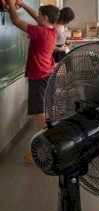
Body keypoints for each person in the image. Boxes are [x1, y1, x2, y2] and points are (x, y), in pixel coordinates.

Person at [4, 0, 59, 163]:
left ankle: (44, 152)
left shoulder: (39, 32)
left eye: (40, 16)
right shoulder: (52, 31)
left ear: (46, 19)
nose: (38, 17)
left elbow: (16, 21)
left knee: (39, 113)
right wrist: (22, 3)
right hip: (46, 74)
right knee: (43, 111)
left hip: (39, 76)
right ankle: (48, 147)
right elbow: (37, 16)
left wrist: (12, 4)